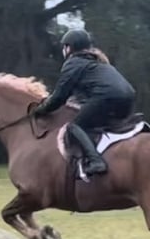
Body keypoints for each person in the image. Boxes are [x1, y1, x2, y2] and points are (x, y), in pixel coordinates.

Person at [32, 28, 136, 176]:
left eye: (64, 46)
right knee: (97, 125)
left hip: (106, 97)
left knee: (74, 126)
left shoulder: (74, 63)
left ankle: (96, 161)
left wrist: (40, 110)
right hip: (128, 98)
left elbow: (59, 98)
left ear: (69, 47)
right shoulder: (97, 62)